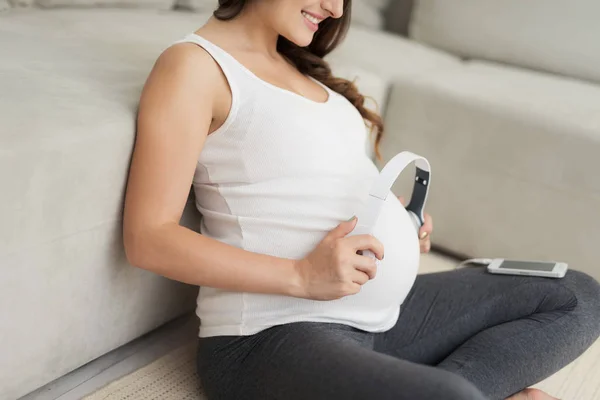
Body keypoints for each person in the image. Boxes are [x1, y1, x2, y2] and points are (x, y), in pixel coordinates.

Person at [122, 0, 600, 398]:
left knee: (577, 295)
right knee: (448, 397)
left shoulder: (307, 73)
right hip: (275, 335)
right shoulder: (195, 66)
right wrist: (300, 275)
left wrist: (397, 220)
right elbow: (148, 237)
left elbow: (311, 181)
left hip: (380, 320)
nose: (334, 8)